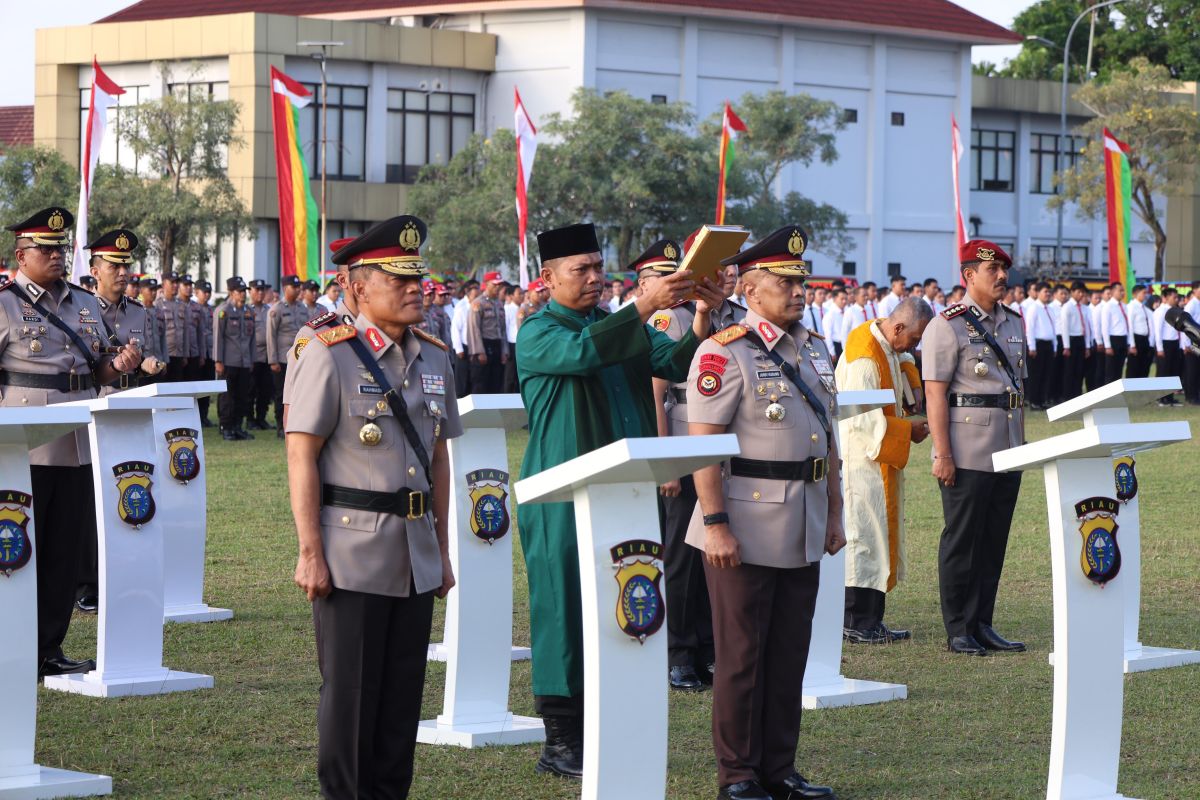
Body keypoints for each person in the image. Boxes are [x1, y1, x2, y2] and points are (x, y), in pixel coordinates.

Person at [516, 222, 725, 779]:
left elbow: (678, 363)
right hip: (560, 493)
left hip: (625, 490)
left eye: (596, 266)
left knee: (623, 601)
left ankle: (613, 720)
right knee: (563, 609)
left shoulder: (616, 325)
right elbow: (585, 354)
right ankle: (561, 740)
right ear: (547, 277)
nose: (592, 277)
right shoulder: (539, 331)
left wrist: (701, 314)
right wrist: (641, 306)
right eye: (579, 270)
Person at [287, 215, 458, 800]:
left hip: (413, 551)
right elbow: (301, 455)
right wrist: (311, 553)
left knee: (401, 695)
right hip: (351, 549)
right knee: (353, 695)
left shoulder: (433, 356)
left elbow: (438, 459)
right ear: (358, 287)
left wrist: (443, 552)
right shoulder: (327, 352)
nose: (417, 289)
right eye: (399, 279)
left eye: (419, 279)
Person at [686, 225, 843, 800]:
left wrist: (834, 514)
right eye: (784, 281)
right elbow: (701, 446)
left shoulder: (816, 348)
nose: (798, 291)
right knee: (741, 656)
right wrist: (714, 524)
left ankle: (780, 767)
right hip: (744, 524)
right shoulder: (723, 349)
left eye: (801, 281)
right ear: (750, 289)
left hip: (803, 518)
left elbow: (831, 440)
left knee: (787, 655)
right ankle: (739, 774)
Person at [1, 207, 142, 677]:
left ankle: (48, 650)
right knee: (17, 552)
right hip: (24, 445)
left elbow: (96, 366)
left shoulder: (83, 303)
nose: (57, 256)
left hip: (76, 441)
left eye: (60, 248)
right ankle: (13, 645)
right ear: (21, 256)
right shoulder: (4, 304)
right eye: (46, 249)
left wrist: (118, 367)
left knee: (64, 551)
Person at [642, 237, 739, 692]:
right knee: (680, 556)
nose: (722, 278)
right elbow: (657, 392)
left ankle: (706, 648)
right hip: (682, 444)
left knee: (710, 554)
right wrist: (664, 464)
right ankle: (678, 652)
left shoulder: (729, 316)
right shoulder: (670, 318)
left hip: (721, 447)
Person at [921, 239, 1027, 656]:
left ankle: (983, 621)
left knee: (993, 540)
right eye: (992, 270)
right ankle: (959, 627)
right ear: (968, 276)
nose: (1002, 276)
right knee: (963, 539)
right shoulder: (946, 325)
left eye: (1004, 269)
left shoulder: (1014, 322)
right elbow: (935, 395)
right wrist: (942, 454)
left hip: (1009, 445)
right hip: (967, 449)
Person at [77, 229, 166, 614]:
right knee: (90, 500)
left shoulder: (139, 312)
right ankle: (86, 582)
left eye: (126, 265)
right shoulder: (80, 308)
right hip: (95, 407)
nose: (123, 272)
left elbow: (145, 354)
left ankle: (122, 575)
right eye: (114, 265)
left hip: (131, 408)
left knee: (129, 488)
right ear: (95, 269)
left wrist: (148, 365)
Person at [838, 299, 932, 644]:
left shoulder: (886, 338)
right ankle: (855, 621)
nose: (915, 347)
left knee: (880, 536)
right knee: (862, 537)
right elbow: (862, 420)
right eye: (915, 338)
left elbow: (901, 357)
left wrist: (912, 378)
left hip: (878, 460)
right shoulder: (864, 356)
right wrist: (908, 431)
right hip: (861, 459)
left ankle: (872, 619)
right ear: (898, 328)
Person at [214, 276, 256, 441]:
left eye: (244, 291)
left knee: (242, 395)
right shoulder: (223, 311)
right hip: (228, 361)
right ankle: (226, 427)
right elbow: (218, 338)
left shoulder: (248, 311)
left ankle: (238, 426)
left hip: (244, 361)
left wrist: (251, 359)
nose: (242, 295)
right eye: (239, 291)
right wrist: (218, 360)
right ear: (231, 292)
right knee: (227, 396)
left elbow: (251, 338)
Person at [268, 275, 309, 438]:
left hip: (301, 359)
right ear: (286, 289)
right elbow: (270, 336)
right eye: (294, 286)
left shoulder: (302, 308)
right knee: (281, 394)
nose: (298, 289)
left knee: (301, 393)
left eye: (299, 286)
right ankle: (281, 425)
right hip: (282, 360)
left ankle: (299, 424)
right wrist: (273, 360)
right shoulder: (276, 309)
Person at [466, 271, 509, 394]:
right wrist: (479, 351)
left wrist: (504, 350)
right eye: (494, 284)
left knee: (496, 383)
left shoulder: (499, 304)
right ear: (486, 284)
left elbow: (503, 329)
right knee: (480, 384)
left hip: (497, 345)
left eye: (499, 285)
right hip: (484, 345)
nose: (497, 287)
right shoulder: (478, 303)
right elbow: (474, 329)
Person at [1024, 281, 1057, 411]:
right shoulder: (1034, 308)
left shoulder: (1050, 308)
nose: (1047, 294)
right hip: (1038, 344)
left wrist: (1055, 346)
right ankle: (1034, 401)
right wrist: (1031, 346)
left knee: (1046, 374)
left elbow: (1053, 329)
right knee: (1035, 375)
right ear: (1037, 293)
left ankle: (1043, 400)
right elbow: (1030, 329)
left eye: (1049, 291)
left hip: (1048, 344)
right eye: (1045, 291)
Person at [1058, 281, 1092, 401]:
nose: (1081, 294)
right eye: (1079, 292)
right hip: (1071, 341)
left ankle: (1077, 395)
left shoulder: (1084, 308)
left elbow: (1086, 328)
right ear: (1072, 292)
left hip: (1081, 340)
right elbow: (1065, 328)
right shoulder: (1067, 307)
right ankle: (1068, 396)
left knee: (1080, 369)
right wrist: (1066, 346)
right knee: (1069, 370)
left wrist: (1087, 346)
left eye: (1083, 292)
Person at [156, 272, 193, 380]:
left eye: (177, 282)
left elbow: (185, 332)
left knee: (176, 390)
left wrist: (185, 354)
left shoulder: (182, 305)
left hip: (178, 354)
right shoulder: (157, 304)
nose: (175, 285)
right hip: (163, 355)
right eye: (172, 282)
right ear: (163, 285)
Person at [247, 279, 273, 430]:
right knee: (251, 390)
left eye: (263, 289)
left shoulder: (269, 310)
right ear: (250, 291)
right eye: (257, 289)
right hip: (253, 355)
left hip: (267, 355)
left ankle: (261, 418)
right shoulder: (247, 310)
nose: (260, 293)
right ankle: (250, 419)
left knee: (265, 390)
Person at [1152, 286, 1183, 406]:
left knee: (1173, 371)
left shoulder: (1175, 310)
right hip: (1165, 344)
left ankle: (1170, 398)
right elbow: (1157, 331)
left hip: (1174, 343)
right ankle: (1161, 398)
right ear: (1165, 298)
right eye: (1174, 297)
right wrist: (1159, 348)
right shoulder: (1160, 311)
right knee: (1163, 372)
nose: (1176, 299)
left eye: (1177, 297)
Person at [449, 280, 478, 397]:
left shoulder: (476, 307)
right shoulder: (461, 307)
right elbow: (455, 329)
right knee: (462, 378)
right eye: (475, 296)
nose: (477, 298)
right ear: (468, 295)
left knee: (473, 378)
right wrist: (458, 349)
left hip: (474, 347)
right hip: (463, 347)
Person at [193, 279, 215, 424]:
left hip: (210, 352)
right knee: (197, 386)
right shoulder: (193, 309)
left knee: (208, 385)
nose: (206, 295)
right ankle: (197, 415)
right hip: (198, 352)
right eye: (204, 292)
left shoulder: (212, 309)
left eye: (209, 292)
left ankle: (205, 415)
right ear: (197, 292)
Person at [1100, 282, 1131, 382]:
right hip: (1113, 340)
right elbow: (1105, 327)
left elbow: (1128, 326)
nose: (1123, 293)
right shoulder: (1108, 306)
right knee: (1111, 371)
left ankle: (1117, 395)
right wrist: (1108, 346)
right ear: (1113, 291)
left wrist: (1129, 342)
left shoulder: (1125, 306)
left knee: (1119, 370)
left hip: (1123, 340)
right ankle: (1109, 396)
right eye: (1120, 290)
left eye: (1123, 290)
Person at [1126, 284, 1154, 379]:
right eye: (1143, 293)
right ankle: (1130, 392)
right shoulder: (1131, 307)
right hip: (1136, 339)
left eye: (1146, 293)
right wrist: (1132, 345)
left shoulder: (1145, 308)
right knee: (1134, 368)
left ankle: (1141, 392)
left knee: (1144, 367)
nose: (1145, 295)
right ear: (1135, 294)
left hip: (1145, 340)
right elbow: (1130, 326)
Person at [503, 283, 522, 393]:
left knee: (518, 375)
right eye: (519, 294)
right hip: (511, 344)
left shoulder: (523, 308)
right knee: (510, 376)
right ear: (511, 296)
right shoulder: (507, 309)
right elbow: (504, 329)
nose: (522, 296)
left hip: (520, 344)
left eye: (522, 293)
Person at [822, 287, 847, 359]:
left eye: (845, 299)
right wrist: (832, 352)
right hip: (836, 346)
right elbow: (828, 334)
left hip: (846, 345)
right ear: (835, 299)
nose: (844, 301)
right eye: (842, 299)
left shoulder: (847, 312)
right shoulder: (830, 314)